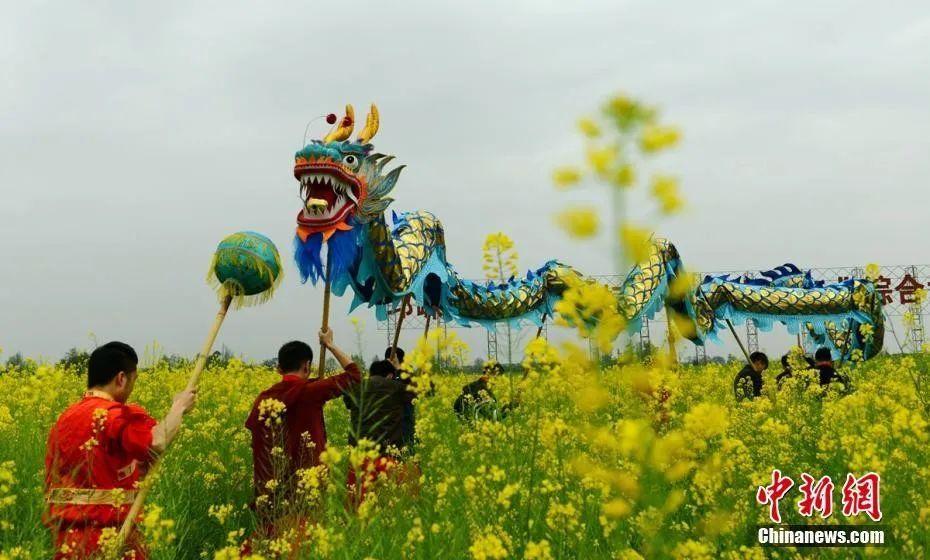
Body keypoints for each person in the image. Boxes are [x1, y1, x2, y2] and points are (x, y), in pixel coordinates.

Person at [44, 341, 197, 559]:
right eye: (133, 380)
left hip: (66, 541)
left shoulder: (64, 419)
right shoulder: (113, 415)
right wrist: (179, 408)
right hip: (112, 537)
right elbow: (157, 441)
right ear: (121, 378)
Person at [245, 328, 360, 521]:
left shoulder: (263, 399)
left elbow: (256, 441)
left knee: (277, 536)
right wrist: (330, 345)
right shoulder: (312, 392)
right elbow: (354, 375)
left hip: (273, 485)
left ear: (279, 369)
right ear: (307, 366)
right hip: (309, 482)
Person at [343, 359, 418, 506]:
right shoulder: (397, 388)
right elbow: (418, 389)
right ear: (390, 375)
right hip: (388, 456)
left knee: (357, 507)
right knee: (393, 506)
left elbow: (348, 402)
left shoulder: (355, 388)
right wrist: (400, 369)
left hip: (360, 457)